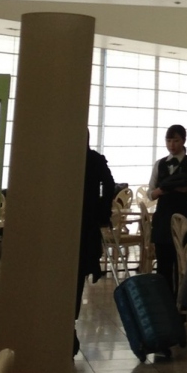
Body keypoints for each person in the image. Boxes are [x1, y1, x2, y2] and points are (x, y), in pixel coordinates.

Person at [148, 124, 187, 294]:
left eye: (176, 140)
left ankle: (181, 299)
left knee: (183, 261)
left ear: (184, 141)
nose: (172, 145)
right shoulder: (159, 164)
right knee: (163, 261)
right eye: (169, 140)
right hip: (163, 216)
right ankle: (163, 299)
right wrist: (161, 191)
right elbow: (150, 193)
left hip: (183, 214)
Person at [74, 133, 115, 356]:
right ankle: (70, 323)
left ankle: (65, 323)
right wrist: (101, 210)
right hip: (88, 223)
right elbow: (109, 186)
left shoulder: (66, 160)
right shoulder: (95, 159)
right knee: (79, 274)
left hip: (67, 223)